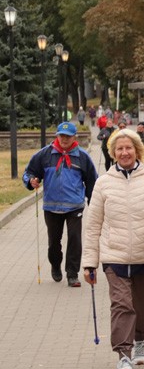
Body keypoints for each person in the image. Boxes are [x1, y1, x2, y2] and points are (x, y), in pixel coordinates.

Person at [82, 129, 144, 369]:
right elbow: (93, 225)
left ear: (137, 151)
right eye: (119, 149)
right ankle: (123, 355)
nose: (124, 152)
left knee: (143, 308)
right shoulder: (103, 183)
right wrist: (89, 263)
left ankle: (140, 338)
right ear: (113, 153)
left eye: (128, 148)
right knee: (122, 305)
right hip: (115, 257)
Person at [22, 122, 98, 287]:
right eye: (61, 136)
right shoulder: (44, 154)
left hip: (75, 206)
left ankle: (72, 274)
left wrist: (94, 202)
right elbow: (29, 172)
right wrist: (31, 181)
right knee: (54, 243)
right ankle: (55, 264)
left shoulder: (83, 157)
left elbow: (92, 181)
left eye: (68, 136)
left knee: (75, 239)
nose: (64, 139)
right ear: (56, 136)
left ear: (74, 137)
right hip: (51, 206)